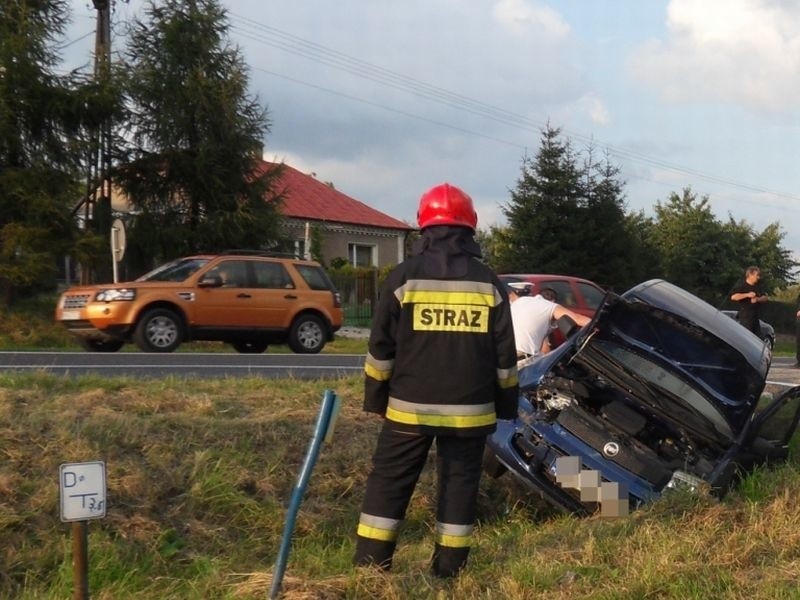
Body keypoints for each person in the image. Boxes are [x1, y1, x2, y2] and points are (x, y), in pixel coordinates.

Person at [354, 183, 519, 578]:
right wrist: (505, 408)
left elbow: (380, 351)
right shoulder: (488, 283)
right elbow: (505, 361)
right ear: (471, 228)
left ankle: (371, 569)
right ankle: (448, 572)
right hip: (471, 413)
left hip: (409, 409)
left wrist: (376, 400)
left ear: (423, 226)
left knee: (389, 483)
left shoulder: (403, 278)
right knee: (460, 487)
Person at [508, 285, 591, 360]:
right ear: (553, 301)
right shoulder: (549, 306)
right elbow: (578, 319)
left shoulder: (516, 304)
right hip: (522, 360)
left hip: (502, 356)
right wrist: (597, 327)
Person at [729, 266, 768, 335]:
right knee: (747, 335)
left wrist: (757, 299)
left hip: (756, 316)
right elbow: (733, 297)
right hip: (746, 317)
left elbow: (765, 297)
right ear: (750, 275)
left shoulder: (758, 286)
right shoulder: (742, 286)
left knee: (758, 337)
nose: (758, 277)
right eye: (757, 275)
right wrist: (747, 295)